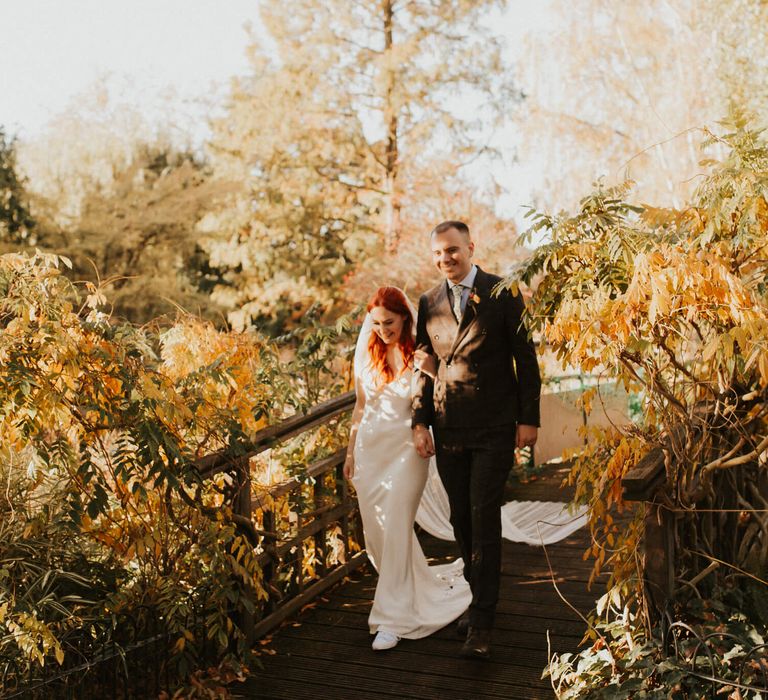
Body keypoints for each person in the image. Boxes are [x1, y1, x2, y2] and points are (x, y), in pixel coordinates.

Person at [411, 220, 541, 660]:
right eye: (438, 254)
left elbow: (526, 358)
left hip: (494, 426)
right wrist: (418, 421)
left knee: (483, 515)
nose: (445, 259)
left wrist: (529, 420)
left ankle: (482, 620)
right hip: (449, 429)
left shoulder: (502, 292)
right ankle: (477, 599)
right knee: (461, 521)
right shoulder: (428, 302)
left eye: (452, 250)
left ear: (470, 247)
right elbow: (421, 366)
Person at [343, 286, 470, 651]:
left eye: (389, 322)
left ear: (405, 319)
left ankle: (391, 619)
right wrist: (350, 454)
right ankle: (406, 589)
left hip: (408, 453)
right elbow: (359, 408)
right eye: (376, 323)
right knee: (381, 534)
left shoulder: (420, 353)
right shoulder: (367, 357)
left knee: (397, 523)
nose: (382, 329)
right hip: (370, 454)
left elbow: (446, 394)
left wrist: (434, 371)